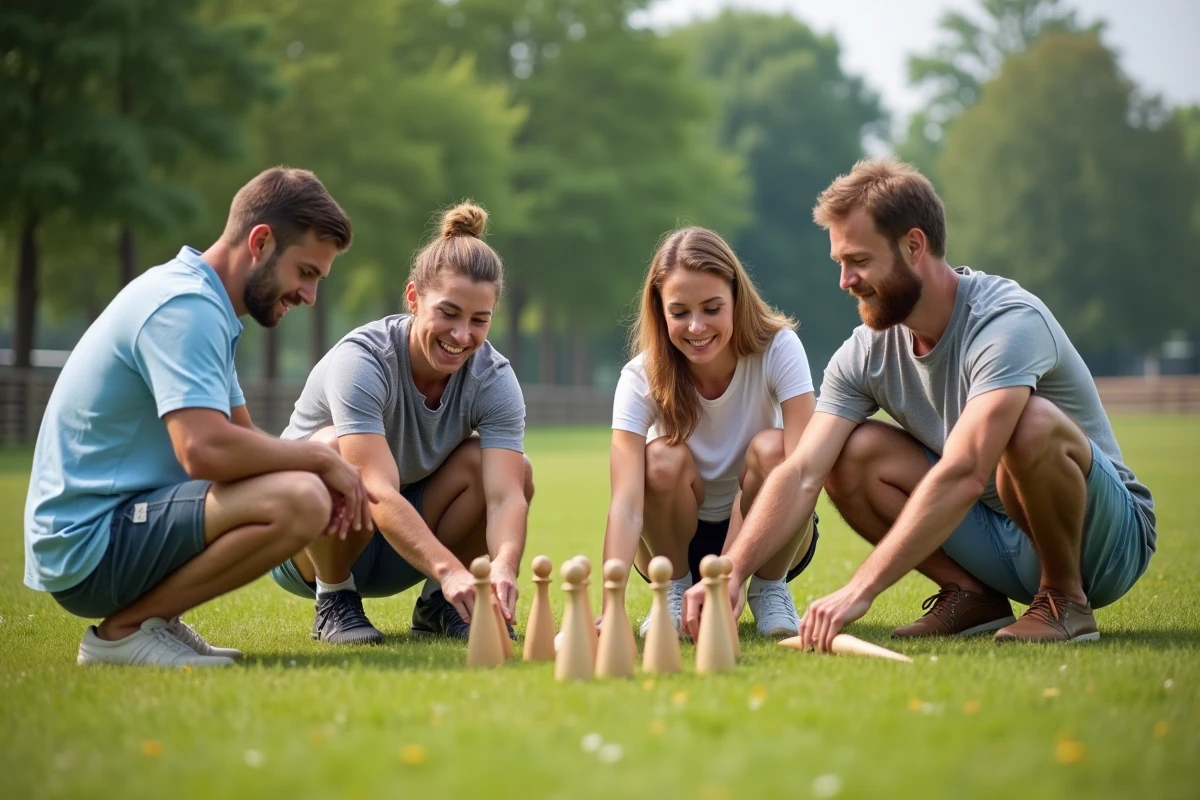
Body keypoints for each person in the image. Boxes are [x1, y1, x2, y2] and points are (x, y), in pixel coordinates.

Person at [683, 157, 1156, 647]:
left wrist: (859, 589)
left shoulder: (1008, 322)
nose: (845, 281)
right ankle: (971, 595)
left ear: (913, 246)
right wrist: (732, 572)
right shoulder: (867, 350)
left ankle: (1064, 601)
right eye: (840, 264)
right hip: (999, 536)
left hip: (1103, 544)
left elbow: (967, 469)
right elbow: (802, 470)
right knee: (848, 452)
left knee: (1028, 422)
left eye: (859, 261)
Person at [24, 167, 370, 667]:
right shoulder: (186, 307)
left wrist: (324, 460)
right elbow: (203, 450)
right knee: (301, 498)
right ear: (261, 241)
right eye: (306, 273)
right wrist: (318, 464)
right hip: (89, 546)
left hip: (116, 528)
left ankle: (153, 620)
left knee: (313, 472)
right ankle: (121, 635)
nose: (310, 296)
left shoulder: (207, 304)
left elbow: (243, 441)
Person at [271, 202, 532, 645]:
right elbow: (374, 488)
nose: (462, 335)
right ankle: (334, 600)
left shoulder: (494, 378)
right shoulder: (363, 360)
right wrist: (449, 567)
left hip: (402, 545)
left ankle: (442, 605)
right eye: (448, 313)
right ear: (413, 298)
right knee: (331, 451)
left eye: (479, 320)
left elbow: (506, 495)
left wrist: (504, 565)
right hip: (305, 545)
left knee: (512, 468)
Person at [602, 226, 820, 640]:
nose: (697, 327)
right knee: (660, 458)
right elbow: (627, 504)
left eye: (711, 308)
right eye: (680, 312)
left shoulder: (779, 348)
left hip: (769, 532)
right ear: (660, 311)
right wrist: (608, 607)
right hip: (672, 542)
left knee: (779, 452)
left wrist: (730, 569)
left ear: (736, 299)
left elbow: (808, 473)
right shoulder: (639, 376)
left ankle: (770, 588)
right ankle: (673, 590)